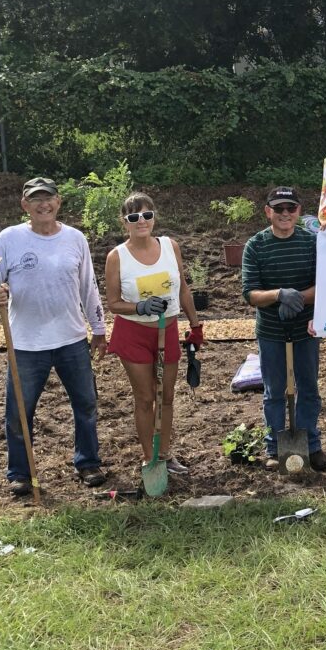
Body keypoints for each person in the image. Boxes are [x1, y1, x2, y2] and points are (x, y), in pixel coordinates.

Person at [0, 176, 107, 496]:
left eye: (48, 198)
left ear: (58, 202)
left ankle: (88, 462)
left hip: (71, 339)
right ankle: (20, 473)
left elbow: (88, 286)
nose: (42, 204)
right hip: (26, 344)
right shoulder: (9, 239)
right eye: (35, 199)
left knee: (86, 404)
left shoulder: (75, 239)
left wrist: (99, 328)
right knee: (19, 411)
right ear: (25, 206)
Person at [104, 193, 203, 475]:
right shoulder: (117, 257)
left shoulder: (171, 246)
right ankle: (150, 459)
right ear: (125, 222)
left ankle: (166, 453)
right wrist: (140, 306)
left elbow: (182, 288)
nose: (141, 222)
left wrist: (195, 325)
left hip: (167, 330)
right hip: (134, 333)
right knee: (146, 397)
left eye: (147, 215)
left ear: (154, 217)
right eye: (134, 217)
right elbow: (113, 303)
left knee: (166, 395)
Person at [242, 186, 326, 472]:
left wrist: (300, 298)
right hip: (271, 331)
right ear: (267, 211)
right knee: (274, 391)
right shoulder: (255, 245)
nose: (284, 214)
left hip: (306, 329)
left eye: (290, 208)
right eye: (278, 208)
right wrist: (279, 295)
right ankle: (275, 448)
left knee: (308, 389)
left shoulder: (311, 242)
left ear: (298, 211)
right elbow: (250, 293)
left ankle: (311, 445)